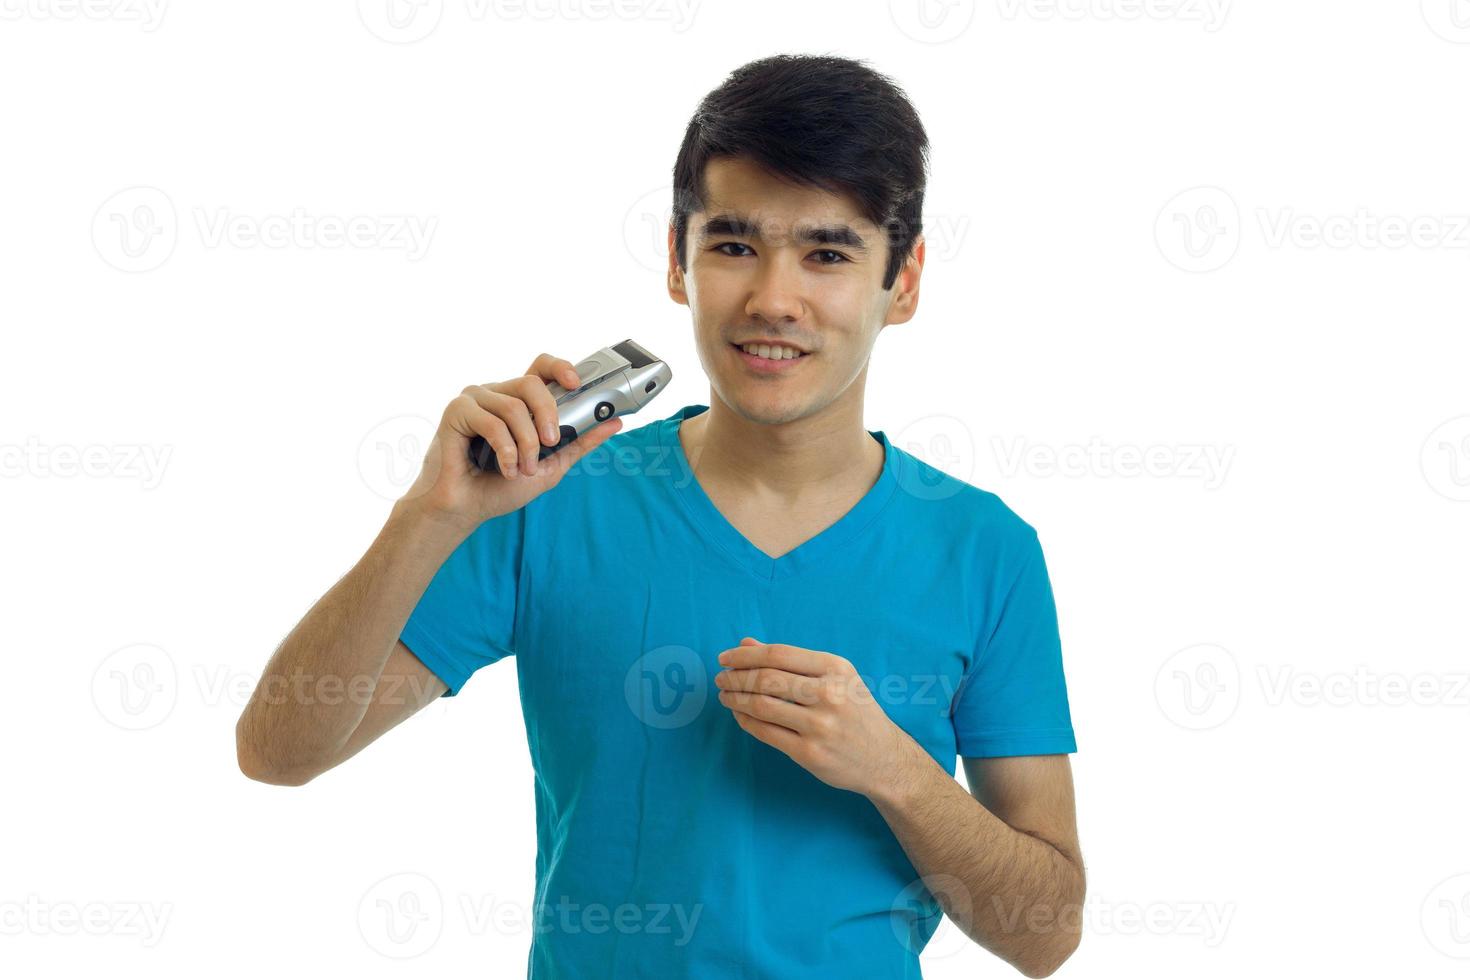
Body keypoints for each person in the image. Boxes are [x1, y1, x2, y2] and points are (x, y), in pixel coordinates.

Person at [237, 53, 1083, 979]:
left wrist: (895, 770)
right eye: (732, 245)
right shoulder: (551, 500)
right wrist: (428, 516)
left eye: (828, 253)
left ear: (905, 280)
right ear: (676, 260)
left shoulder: (984, 551)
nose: (772, 299)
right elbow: (279, 753)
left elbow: (1045, 936)